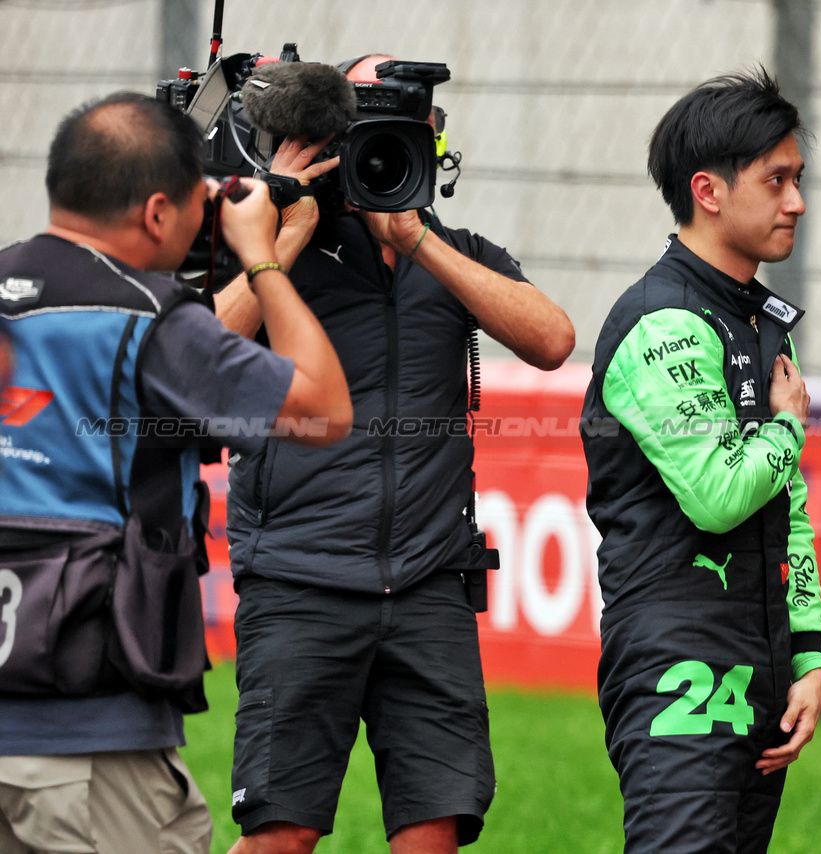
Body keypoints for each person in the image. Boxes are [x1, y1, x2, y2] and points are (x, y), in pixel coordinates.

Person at [216, 55, 575, 854]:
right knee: (283, 833)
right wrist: (274, 234)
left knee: (433, 834)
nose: (376, 157)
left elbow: (552, 340)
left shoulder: (456, 252)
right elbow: (196, 355)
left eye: (400, 138)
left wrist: (419, 242)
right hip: (300, 580)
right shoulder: (281, 249)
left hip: (427, 588)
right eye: (358, 137)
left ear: (432, 145)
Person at [0, 92, 352, 854]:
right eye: (201, 203)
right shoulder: (148, 319)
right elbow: (322, 409)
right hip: (90, 742)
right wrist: (262, 255)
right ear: (159, 213)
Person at [579, 69, 821, 853]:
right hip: (677, 668)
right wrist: (788, 429)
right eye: (777, 180)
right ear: (708, 191)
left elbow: (785, 498)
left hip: (758, 668)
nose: (796, 201)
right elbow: (721, 493)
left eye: (798, 179)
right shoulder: (662, 322)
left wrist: (809, 652)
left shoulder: (757, 320)